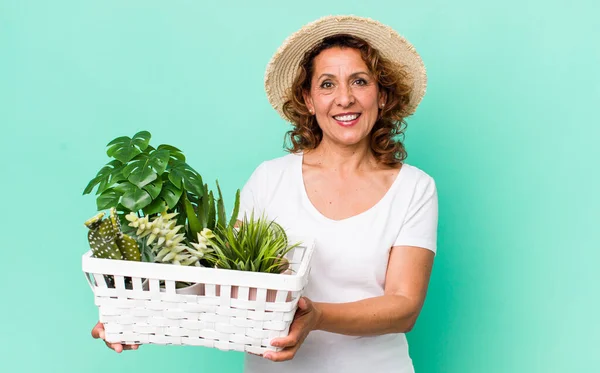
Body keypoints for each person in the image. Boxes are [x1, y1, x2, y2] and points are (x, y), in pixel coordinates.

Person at [92, 15, 438, 373]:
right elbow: (222, 281)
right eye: (327, 84)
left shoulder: (414, 187)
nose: (345, 98)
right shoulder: (271, 178)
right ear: (307, 99)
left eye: (360, 82)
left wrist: (315, 316)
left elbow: (404, 305)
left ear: (382, 96)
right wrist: (137, 316)